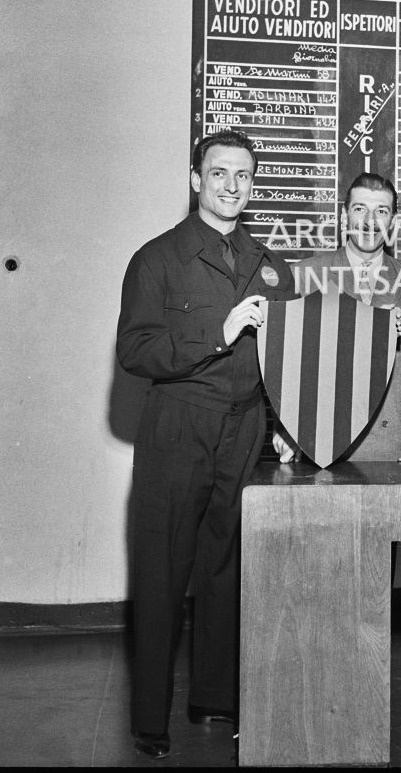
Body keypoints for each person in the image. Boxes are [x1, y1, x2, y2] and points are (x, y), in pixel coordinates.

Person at [116, 128, 296, 759]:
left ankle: (214, 695)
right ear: (196, 180)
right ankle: (149, 720)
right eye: (219, 173)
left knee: (226, 561)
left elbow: (289, 356)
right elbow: (135, 351)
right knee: (164, 565)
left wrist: (284, 422)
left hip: (243, 425)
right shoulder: (157, 259)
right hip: (178, 422)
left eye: (243, 176)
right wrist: (215, 335)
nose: (231, 187)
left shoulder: (267, 263)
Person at [272, 171, 401, 462]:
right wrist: (289, 426)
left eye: (381, 211)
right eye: (360, 209)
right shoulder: (304, 275)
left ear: (393, 222)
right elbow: (285, 363)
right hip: (319, 444)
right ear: (344, 216)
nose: (369, 221)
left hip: (394, 446)